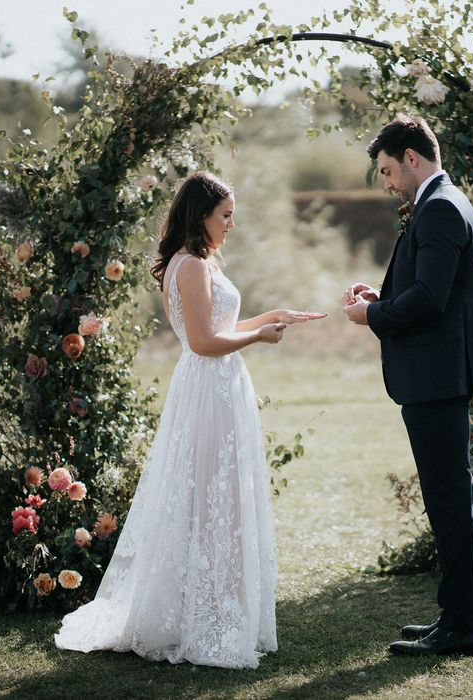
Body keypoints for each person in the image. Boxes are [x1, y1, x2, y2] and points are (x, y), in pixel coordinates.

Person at [55, 171, 326, 668]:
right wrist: (259, 339)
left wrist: (268, 317)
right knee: (207, 493)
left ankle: (208, 606)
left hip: (215, 387)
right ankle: (196, 615)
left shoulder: (194, 263)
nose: (231, 225)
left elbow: (217, 329)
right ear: (200, 214)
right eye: (225, 216)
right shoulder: (192, 267)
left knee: (212, 492)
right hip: (208, 388)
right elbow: (203, 343)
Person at [343, 114, 473, 657]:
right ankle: (466, 617)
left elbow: (429, 301)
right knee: (455, 497)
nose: (388, 183)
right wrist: (381, 299)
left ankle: (461, 627)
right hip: (439, 373)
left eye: (389, 170)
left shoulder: (437, 207)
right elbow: (427, 288)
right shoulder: (446, 201)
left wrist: (373, 317)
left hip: (436, 377)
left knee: (447, 500)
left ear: (411, 158)